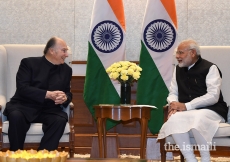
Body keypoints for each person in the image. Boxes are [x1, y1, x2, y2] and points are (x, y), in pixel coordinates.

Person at [157, 39, 228, 162]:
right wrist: (173, 104)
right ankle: (191, 159)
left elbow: (213, 96)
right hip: (187, 111)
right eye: (177, 53)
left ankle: (206, 159)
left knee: (198, 119)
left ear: (193, 53)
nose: (177, 56)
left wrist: (186, 106)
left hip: (213, 110)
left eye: (180, 53)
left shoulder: (210, 68)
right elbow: (173, 92)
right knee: (174, 118)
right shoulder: (178, 69)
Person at [3, 37, 72, 151]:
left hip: (49, 109)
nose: (67, 54)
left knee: (60, 120)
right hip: (24, 106)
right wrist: (47, 94)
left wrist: (65, 98)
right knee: (16, 116)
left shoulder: (66, 70)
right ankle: (16, 155)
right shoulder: (28, 63)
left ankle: (44, 155)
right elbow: (22, 88)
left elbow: (68, 92)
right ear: (51, 51)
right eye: (64, 50)